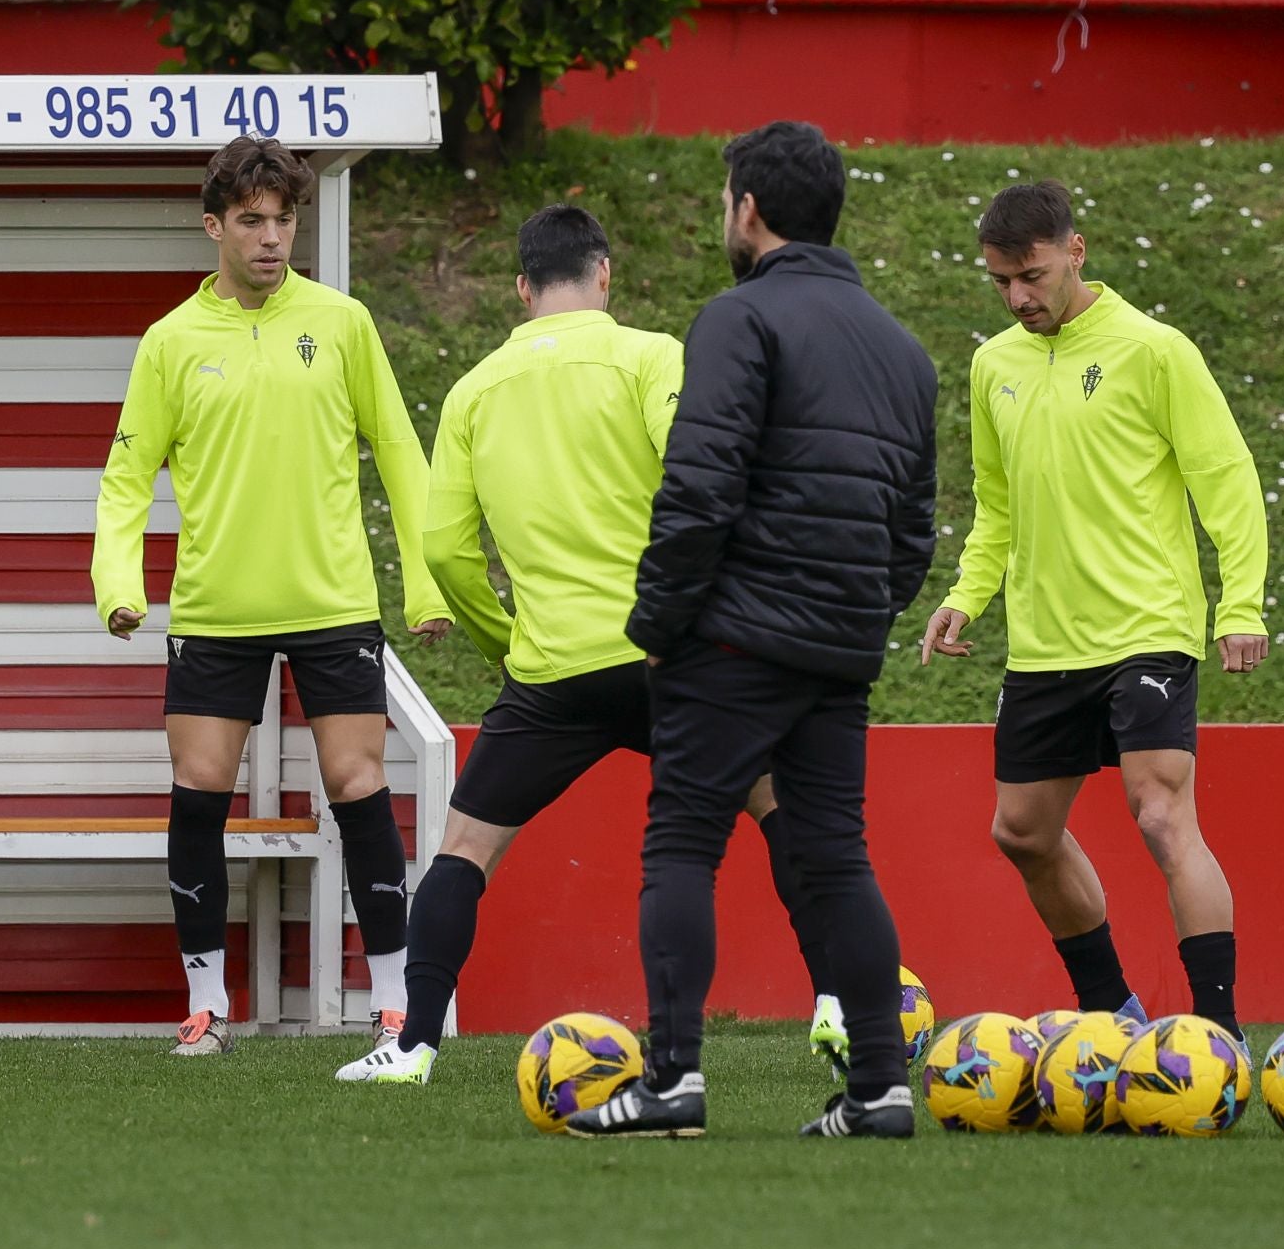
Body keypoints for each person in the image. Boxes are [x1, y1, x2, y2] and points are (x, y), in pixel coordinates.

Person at [333, 204, 840, 1086]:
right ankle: (838, 998)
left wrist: (507, 643)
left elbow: (447, 551)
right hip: (669, 655)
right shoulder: (652, 357)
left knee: (462, 851)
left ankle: (413, 1044)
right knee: (773, 804)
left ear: (522, 288)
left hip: (551, 673)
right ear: (605, 276)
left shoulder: (471, 391)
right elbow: (704, 483)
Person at [568, 121, 938, 1140]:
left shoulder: (737, 318)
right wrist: (856, 608)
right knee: (835, 856)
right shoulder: (903, 348)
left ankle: (674, 1078)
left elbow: (698, 487)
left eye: (723, 198)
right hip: (839, 645)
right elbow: (915, 531)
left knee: (683, 838)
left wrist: (659, 620)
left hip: (731, 636)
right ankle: (879, 1087)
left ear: (749, 210)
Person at [93, 136, 452, 1056]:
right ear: (213, 225)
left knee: (359, 786)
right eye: (250, 220)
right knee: (198, 791)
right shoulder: (170, 341)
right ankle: (206, 1007)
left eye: (283, 218)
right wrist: (119, 585)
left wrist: (425, 586)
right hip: (217, 609)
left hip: (333, 601)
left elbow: (401, 455)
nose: (269, 236)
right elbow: (128, 473)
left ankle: (393, 1003)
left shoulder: (342, 322)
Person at [921, 180, 1266, 1043]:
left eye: (1031, 276)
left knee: (1159, 811)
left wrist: (1242, 605)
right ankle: (1114, 1017)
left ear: (1075, 252)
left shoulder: (1155, 350)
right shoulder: (992, 363)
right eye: (1001, 282)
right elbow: (994, 505)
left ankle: (1213, 1038)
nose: (1018, 298)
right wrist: (967, 595)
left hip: (1148, 627)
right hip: (1044, 647)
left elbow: (1226, 481)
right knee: (1022, 832)